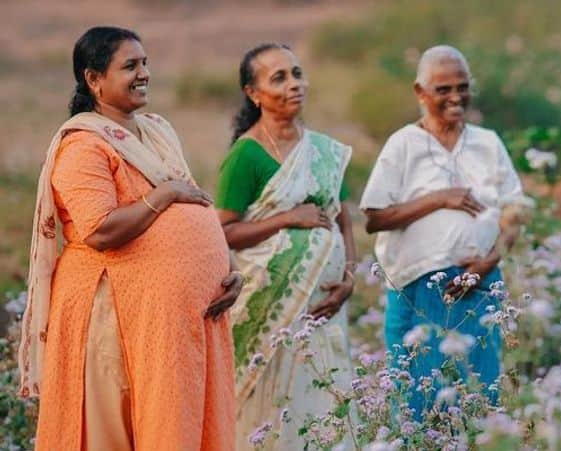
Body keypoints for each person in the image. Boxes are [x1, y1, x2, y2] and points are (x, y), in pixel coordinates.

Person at [19, 26, 242, 450]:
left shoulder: (156, 131)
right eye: (130, 66)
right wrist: (164, 195)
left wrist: (227, 267)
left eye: (145, 64)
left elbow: (195, 202)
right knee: (118, 431)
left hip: (177, 317)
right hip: (113, 313)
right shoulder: (83, 145)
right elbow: (100, 230)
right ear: (94, 79)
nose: (144, 74)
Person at [360, 45, 531, 418]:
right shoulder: (404, 144)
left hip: (480, 284)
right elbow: (374, 218)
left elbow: (514, 212)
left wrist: (485, 265)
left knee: (479, 398)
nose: (456, 97)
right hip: (418, 290)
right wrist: (439, 198)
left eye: (463, 87)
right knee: (418, 406)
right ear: (420, 93)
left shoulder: (488, 143)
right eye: (443, 89)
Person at [216, 43, 356, 450]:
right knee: (272, 418)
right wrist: (288, 218)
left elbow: (344, 222)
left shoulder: (323, 152)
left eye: (296, 73)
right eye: (279, 77)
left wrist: (347, 281)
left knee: (325, 407)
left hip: (323, 311)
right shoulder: (246, 155)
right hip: (268, 315)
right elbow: (222, 231)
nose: (294, 84)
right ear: (253, 93)